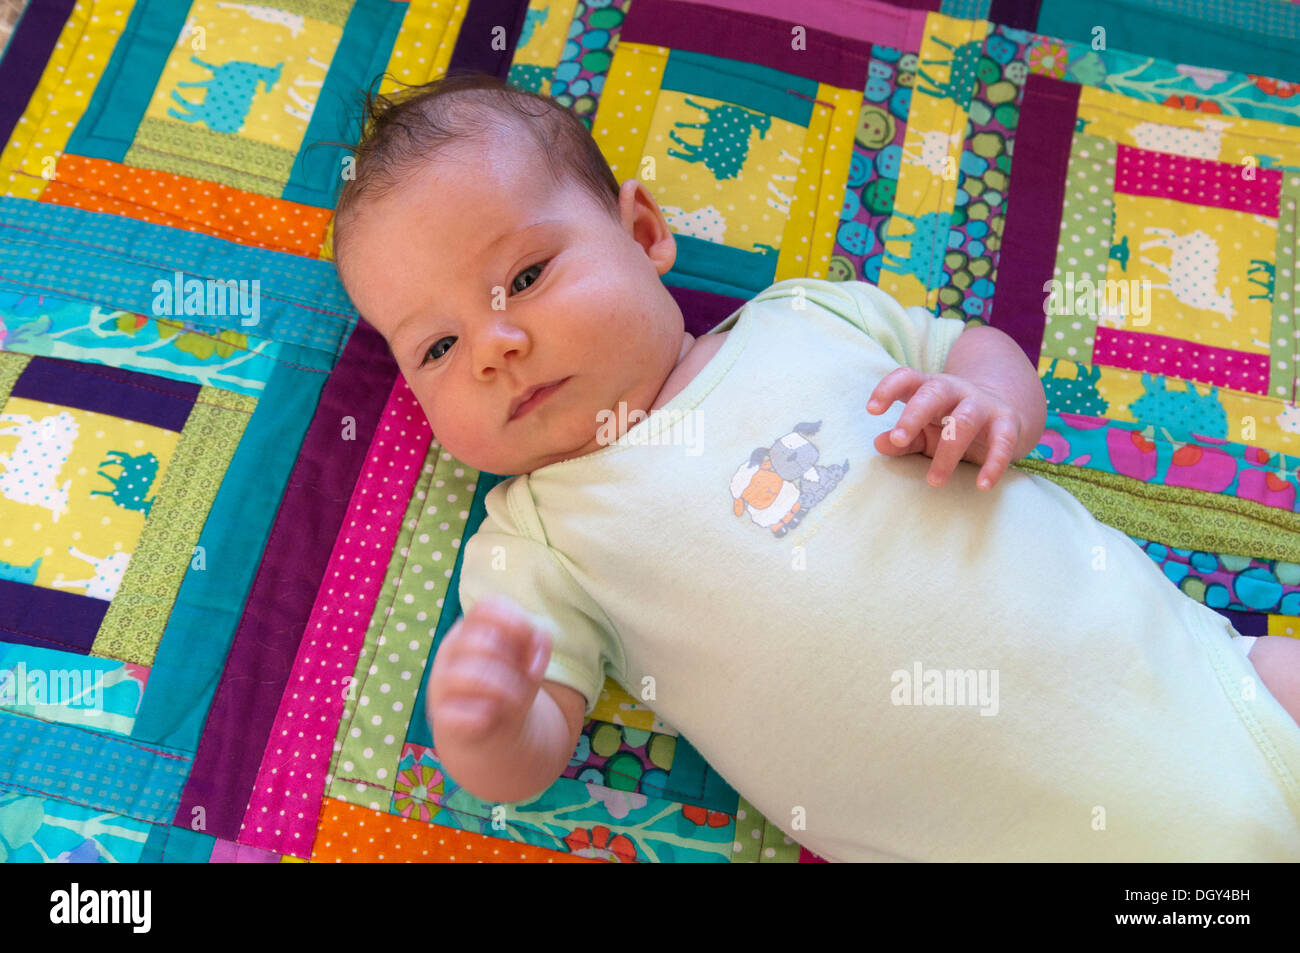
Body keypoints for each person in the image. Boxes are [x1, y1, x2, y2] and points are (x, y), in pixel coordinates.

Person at [332, 70, 1300, 861]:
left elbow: (972, 343)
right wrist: (485, 728)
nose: (495, 345)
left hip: (1217, 693)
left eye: (528, 277)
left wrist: (990, 400)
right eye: (436, 349)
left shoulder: (806, 316)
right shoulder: (538, 535)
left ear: (640, 233)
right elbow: (535, 746)